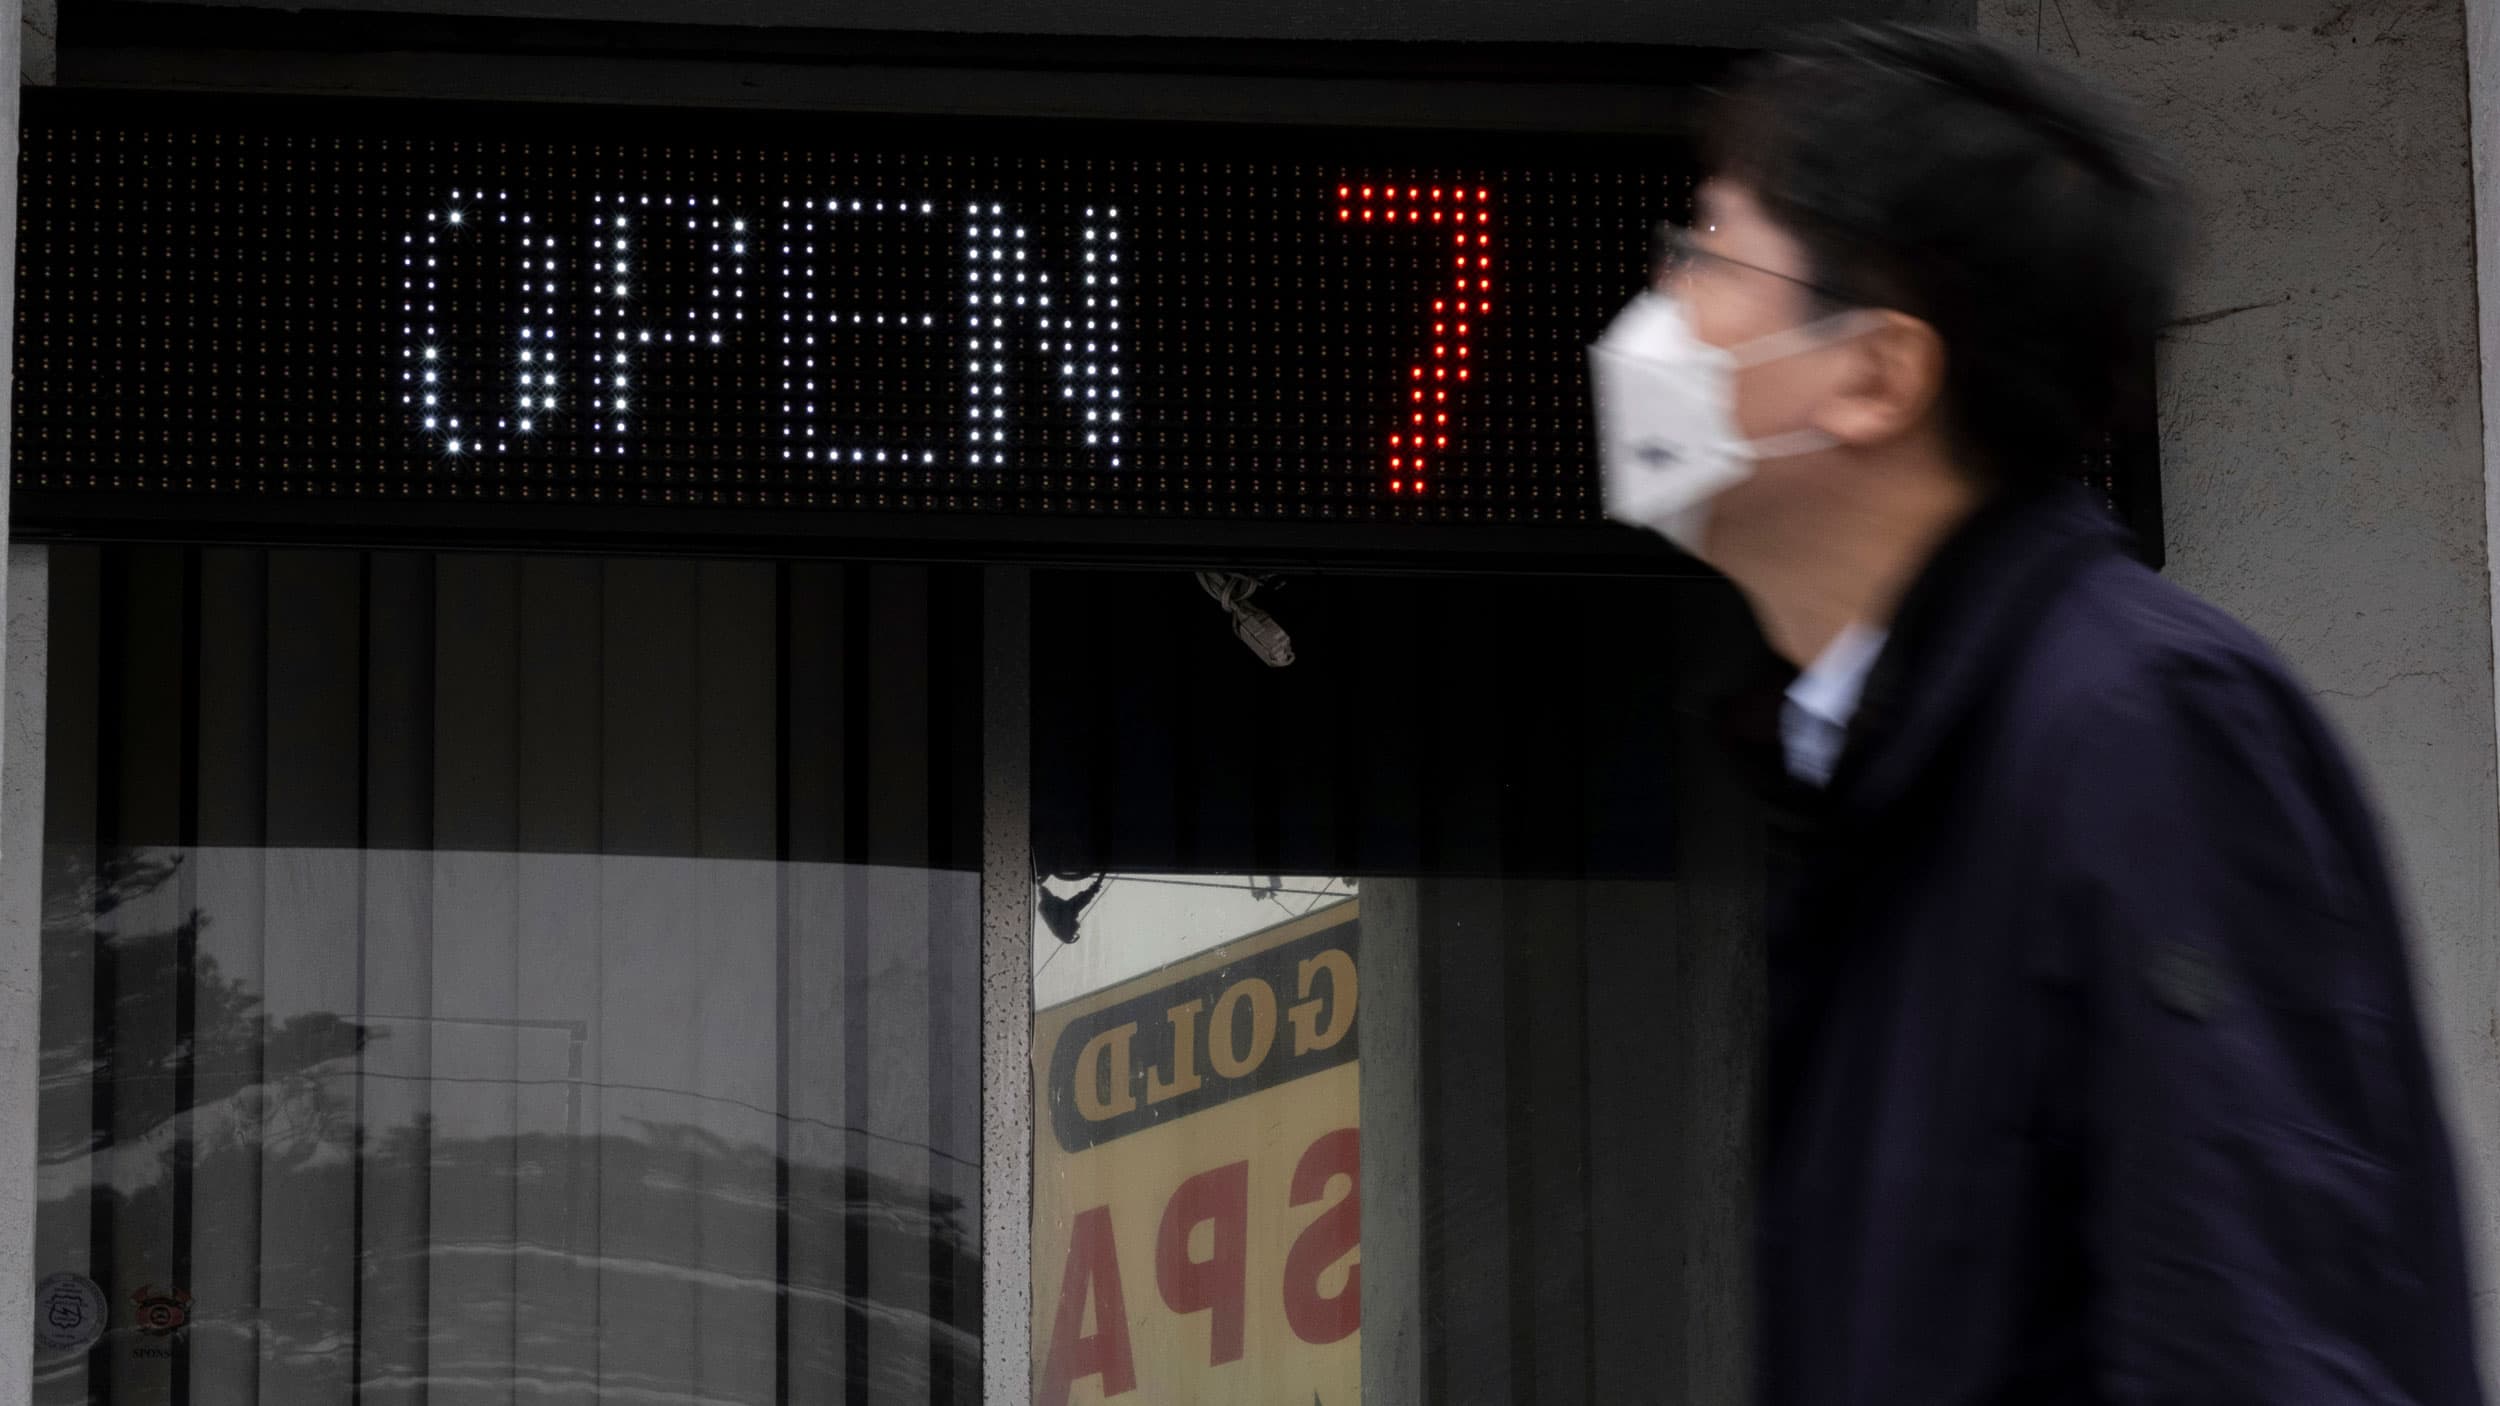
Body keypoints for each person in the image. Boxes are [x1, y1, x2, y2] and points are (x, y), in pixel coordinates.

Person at [1588, 25, 2486, 1404]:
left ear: (1878, 371)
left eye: (1710, 251)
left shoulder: (2146, 730)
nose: (1660, 304)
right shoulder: (1876, 771)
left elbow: (2248, 1337)